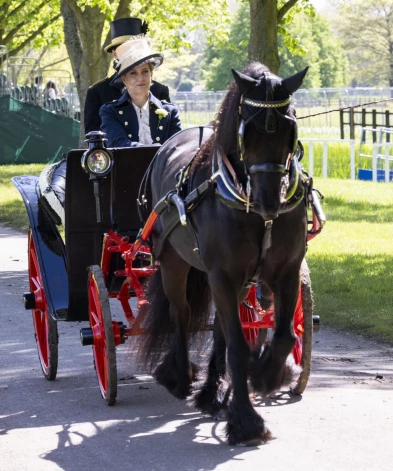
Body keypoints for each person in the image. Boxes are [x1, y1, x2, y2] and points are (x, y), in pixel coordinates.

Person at [84, 17, 171, 134]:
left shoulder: (159, 90)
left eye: (136, 47)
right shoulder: (97, 92)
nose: (132, 52)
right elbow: (93, 137)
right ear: (115, 53)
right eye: (126, 48)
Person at [99, 38, 181, 148]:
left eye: (145, 71)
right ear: (124, 79)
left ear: (151, 74)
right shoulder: (110, 111)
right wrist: (153, 150)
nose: (140, 78)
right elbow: (118, 144)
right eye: (133, 73)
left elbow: (178, 146)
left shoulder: (170, 111)